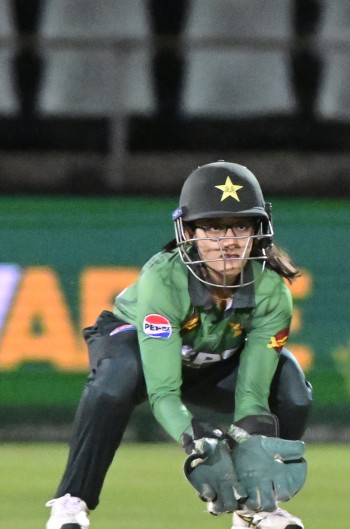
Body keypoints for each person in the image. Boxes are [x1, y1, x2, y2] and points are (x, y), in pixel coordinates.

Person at [45, 161, 313, 529]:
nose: (229, 240)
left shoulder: (272, 292)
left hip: (213, 361)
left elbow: (251, 396)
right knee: (117, 377)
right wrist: (195, 438)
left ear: (258, 231)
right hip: (137, 347)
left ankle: (254, 507)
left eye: (240, 225)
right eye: (213, 227)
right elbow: (164, 392)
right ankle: (71, 502)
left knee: (292, 388)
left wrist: (243, 448)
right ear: (188, 232)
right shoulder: (164, 280)